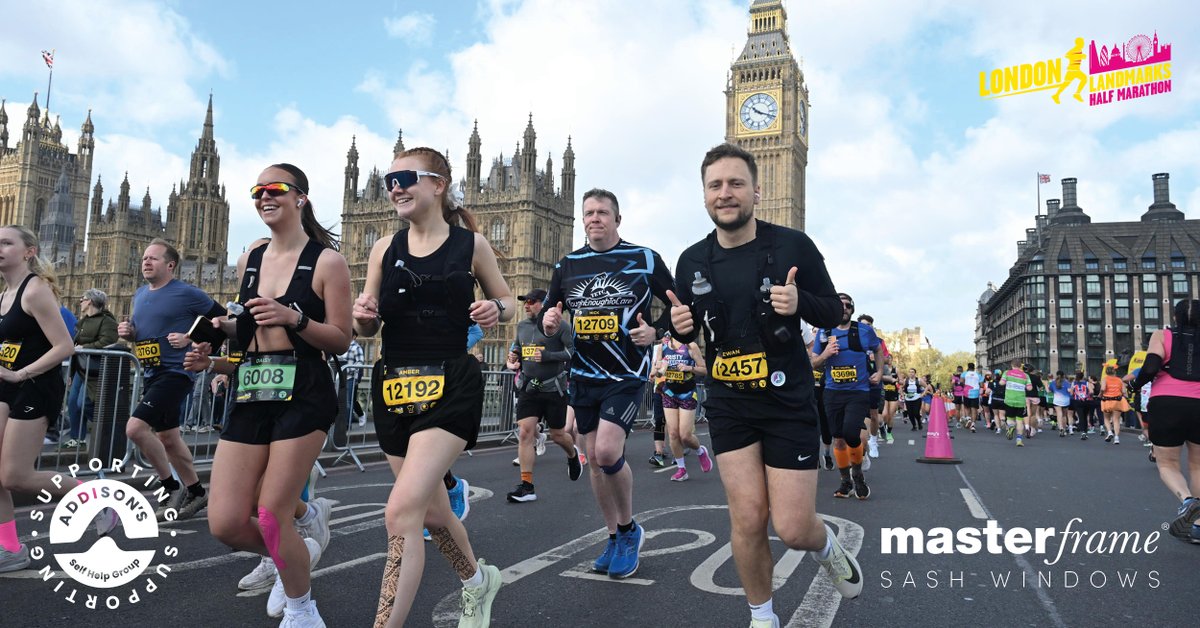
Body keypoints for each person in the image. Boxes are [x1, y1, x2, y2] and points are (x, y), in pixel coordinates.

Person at [668, 143, 858, 628]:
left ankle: (826, 546)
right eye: (715, 185)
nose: (725, 194)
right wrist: (680, 327)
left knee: (793, 527)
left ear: (757, 190)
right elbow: (685, 329)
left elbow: (833, 310)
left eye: (735, 184)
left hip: (787, 400)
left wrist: (799, 303)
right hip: (730, 402)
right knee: (748, 518)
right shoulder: (691, 261)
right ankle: (762, 617)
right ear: (705, 195)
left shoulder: (793, 245)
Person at [354, 146, 513, 627]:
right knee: (433, 514)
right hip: (393, 388)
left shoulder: (470, 245)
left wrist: (496, 310)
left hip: (450, 384)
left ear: (438, 184)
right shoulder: (383, 248)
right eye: (389, 179)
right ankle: (477, 582)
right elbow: (364, 327)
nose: (396, 187)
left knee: (401, 511)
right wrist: (362, 318)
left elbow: (507, 300)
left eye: (405, 177)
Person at [185, 164, 347, 626]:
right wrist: (213, 349)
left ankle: (302, 610)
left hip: (305, 389)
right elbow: (249, 328)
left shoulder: (326, 262)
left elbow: (340, 338)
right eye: (257, 191)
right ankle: (301, 544)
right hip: (254, 385)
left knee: (272, 515)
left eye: (274, 189)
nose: (263, 197)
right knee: (226, 523)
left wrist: (293, 317)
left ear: (301, 197)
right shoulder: (250, 258)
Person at [541, 187, 675, 581]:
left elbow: (680, 304)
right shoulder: (567, 264)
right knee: (594, 462)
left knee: (606, 450)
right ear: (582, 220)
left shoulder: (644, 258)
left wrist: (657, 331)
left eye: (602, 212)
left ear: (617, 219)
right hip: (583, 374)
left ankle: (631, 529)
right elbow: (553, 311)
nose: (594, 218)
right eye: (588, 213)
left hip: (626, 374)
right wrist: (551, 324)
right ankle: (613, 534)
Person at [0, 226, 117, 573]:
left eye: (7, 243)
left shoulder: (34, 290)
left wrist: (21, 374)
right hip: (6, 386)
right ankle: (10, 548)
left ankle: (94, 499)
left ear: (29, 252)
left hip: (34, 387)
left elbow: (65, 345)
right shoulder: (3, 295)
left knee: (15, 476)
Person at [117, 238, 224, 521]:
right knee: (168, 438)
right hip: (151, 372)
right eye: (144, 258)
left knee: (135, 429)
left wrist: (192, 338)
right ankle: (197, 491)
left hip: (177, 373)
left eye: (153, 258)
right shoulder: (139, 294)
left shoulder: (187, 293)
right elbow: (146, 332)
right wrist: (130, 333)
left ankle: (170, 486)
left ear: (171, 265)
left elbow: (222, 320)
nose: (146, 262)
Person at [1126, 298, 1200, 542]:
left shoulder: (1162, 334)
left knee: (1167, 463)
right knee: (1198, 465)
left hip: (1166, 402)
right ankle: (1199, 525)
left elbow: (1150, 366)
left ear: (1176, 317)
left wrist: (1136, 386)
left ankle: (1187, 501)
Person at [504, 287, 581, 503]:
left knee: (558, 435)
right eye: (525, 302)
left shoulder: (561, 326)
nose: (526, 305)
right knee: (526, 432)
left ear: (543, 303)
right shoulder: (521, 326)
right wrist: (513, 358)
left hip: (553, 388)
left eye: (531, 301)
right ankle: (527, 486)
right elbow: (517, 348)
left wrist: (547, 355)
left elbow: (572, 352)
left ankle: (572, 455)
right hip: (529, 387)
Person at [813, 294, 884, 499]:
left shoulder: (864, 330)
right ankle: (845, 482)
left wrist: (879, 372)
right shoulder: (824, 333)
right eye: (839, 305)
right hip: (832, 392)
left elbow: (878, 350)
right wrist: (825, 354)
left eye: (847, 305)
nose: (844, 308)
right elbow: (813, 362)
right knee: (838, 440)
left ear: (852, 309)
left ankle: (858, 474)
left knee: (851, 433)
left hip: (857, 392)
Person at [64, 288, 118, 449]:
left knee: (84, 404)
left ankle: (110, 427)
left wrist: (85, 347)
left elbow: (108, 342)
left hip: (95, 370)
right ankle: (77, 438)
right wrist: (71, 373)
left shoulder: (107, 321)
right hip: (81, 369)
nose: (80, 301)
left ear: (91, 301)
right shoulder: (83, 321)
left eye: (83, 299)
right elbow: (75, 348)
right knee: (72, 403)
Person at [653, 332, 710, 481]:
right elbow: (655, 373)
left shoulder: (691, 346)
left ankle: (700, 451)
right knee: (672, 433)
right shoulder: (662, 346)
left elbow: (704, 369)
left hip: (687, 393)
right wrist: (660, 370)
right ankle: (681, 469)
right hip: (669, 392)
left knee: (685, 436)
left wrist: (689, 368)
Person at [1000, 359, 1032, 447]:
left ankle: (1010, 427)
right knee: (1019, 421)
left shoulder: (1007, 373)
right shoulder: (1025, 375)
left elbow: (1002, 383)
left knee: (1010, 419)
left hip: (1009, 400)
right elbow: (1030, 388)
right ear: (1020, 366)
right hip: (1021, 401)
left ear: (1012, 365)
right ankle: (1019, 440)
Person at [1099, 363, 1129, 444]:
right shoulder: (1119, 380)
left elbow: (1103, 388)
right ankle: (1116, 438)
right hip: (1117, 401)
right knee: (1116, 420)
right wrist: (1126, 397)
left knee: (1106, 418)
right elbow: (1123, 391)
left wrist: (1100, 394)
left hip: (1107, 401)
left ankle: (1109, 432)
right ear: (1114, 372)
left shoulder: (1105, 379)